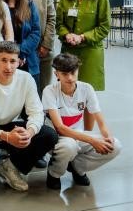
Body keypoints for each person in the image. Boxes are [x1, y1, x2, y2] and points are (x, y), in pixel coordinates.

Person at [0, 41, 59, 194]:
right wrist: (6, 137)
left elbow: (36, 112)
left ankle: (11, 167)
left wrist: (29, 132)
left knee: (49, 135)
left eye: (12, 61)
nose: (8, 67)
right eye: (3, 60)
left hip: (12, 125)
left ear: (19, 62)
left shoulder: (26, 79)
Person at [43, 52, 121, 190]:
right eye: (65, 74)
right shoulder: (49, 91)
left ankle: (77, 168)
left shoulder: (87, 88)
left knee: (115, 146)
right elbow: (60, 128)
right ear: (57, 74)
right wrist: (92, 140)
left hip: (77, 135)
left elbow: (101, 122)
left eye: (73, 72)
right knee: (69, 147)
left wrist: (107, 137)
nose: (70, 78)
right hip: (58, 139)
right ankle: (54, 173)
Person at [56, 0, 111, 92]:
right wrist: (67, 34)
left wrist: (82, 37)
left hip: (90, 52)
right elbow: (59, 24)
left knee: (88, 93)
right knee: (67, 91)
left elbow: (104, 27)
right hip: (69, 52)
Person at [17, 0, 57, 90]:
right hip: (19, 48)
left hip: (41, 49)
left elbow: (52, 18)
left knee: (42, 88)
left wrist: (46, 45)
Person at [0, 0, 42, 90]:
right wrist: (11, 56)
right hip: (5, 62)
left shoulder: (29, 5)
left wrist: (20, 53)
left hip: (27, 60)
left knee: (31, 102)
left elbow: (35, 33)